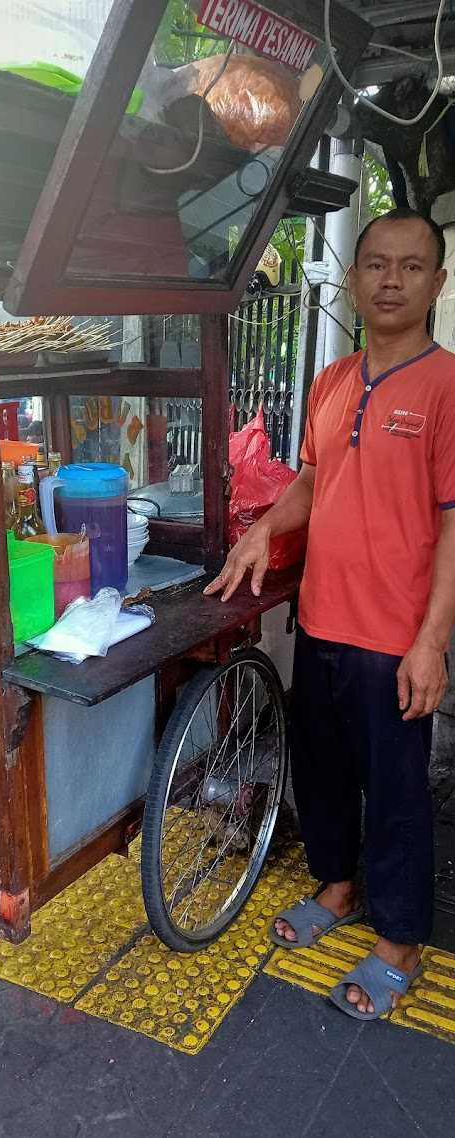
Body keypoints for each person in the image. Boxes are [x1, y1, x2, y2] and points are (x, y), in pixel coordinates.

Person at [204, 207, 455, 1021]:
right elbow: (311, 480)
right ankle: (338, 888)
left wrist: (432, 643)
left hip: (394, 637)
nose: (390, 279)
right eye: (377, 263)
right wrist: (262, 529)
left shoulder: (447, 386)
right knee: (320, 773)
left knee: (396, 791)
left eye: (411, 266)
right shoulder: (332, 381)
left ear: (437, 283)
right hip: (321, 621)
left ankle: (402, 940)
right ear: (353, 277)